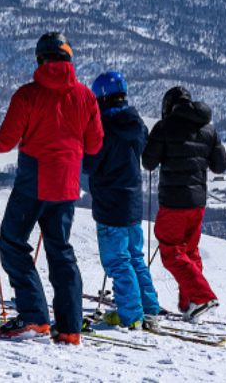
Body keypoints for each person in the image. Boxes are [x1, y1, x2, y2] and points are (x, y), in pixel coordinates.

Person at [0, 32, 103, 345]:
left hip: (33, 182)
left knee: (13, 242)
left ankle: (35, 316)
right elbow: (94, 145)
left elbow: (4, 142)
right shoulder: (86, 96)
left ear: (40, 59)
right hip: (67, 185)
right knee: (61, 252)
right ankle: (69, 328)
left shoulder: (27, 95)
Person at [141, 86, 226, 323]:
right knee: (189, 251)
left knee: (170, 250)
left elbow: (148, 163)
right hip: (198, 202)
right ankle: (190, 304)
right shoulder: (209, 129)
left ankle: (202, 297)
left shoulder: (164, 127)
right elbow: (220, 166)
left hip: (173, 202)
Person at [82, 71, 160, 330]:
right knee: (135, 256)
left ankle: (131, 315)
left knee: (117, 260)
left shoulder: (102, 127)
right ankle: (149, 309)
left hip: (109, 203)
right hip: (133, 200)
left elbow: (89, 165)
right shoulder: (136, 124)